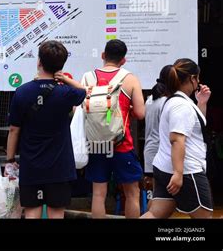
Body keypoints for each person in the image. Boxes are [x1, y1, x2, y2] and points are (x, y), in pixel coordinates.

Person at [5, 41, 86, 219]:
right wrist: (64, 79)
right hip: (60, 166)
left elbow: (13, 130)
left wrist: (10, 160)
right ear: (61, 66)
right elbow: (83, 90)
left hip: (31, 165)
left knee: (32, 211)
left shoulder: (22, 92)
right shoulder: (66, 93)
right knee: (56, 213)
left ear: (39, 62)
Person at [142, 58, 213, 219]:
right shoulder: (181, 105)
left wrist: (201, 103)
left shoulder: (175, 101)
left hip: (165, 167)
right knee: (205, 217)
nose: (199, 81)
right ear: (192, 78)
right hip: (187, 170)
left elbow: (194, 130)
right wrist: (178, 173)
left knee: (155, 214)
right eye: (198, 77)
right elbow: (177, 139)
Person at [83, 39, 145, 219]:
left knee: (98, 194)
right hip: (122, 143)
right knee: (132, 193)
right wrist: (127, 111)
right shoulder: (130, 79)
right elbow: (140, 113)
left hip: (96, 143)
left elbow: (79, 109)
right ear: (123, 60)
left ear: (103, 55)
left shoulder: (88, 78)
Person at [142, 65, 172, 200]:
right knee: (164, 197)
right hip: (163, 152)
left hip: (150, 151)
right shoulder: (167, 102)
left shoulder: (149, 100)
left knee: (157, 196)